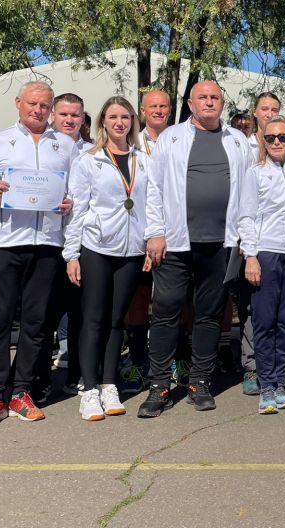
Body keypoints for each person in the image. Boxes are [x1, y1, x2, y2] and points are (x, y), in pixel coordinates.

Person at [138, 80, 252, 417]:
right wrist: (155, 233)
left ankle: (199, 381)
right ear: (190, 104)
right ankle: (159, 385)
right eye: (203, 97)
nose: (209, 102)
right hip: (174, 242)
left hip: (221, 243)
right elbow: (154, 188)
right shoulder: (171, 138)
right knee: (166, 309)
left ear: (222, 103)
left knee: (209, 313)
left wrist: (245, 239)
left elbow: (248, 194)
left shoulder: (238, 140)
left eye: (215, 97)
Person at [0, 82, 77, 429]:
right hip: (5, 242)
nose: (38, 110)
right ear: (18, 103)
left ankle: (21, 391)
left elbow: (75, 190)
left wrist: (69, 203)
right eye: (32, 104)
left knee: (36, 322)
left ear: (52, 108)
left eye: (44, 105)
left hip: (47, 243)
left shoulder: (64, 144)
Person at [64, 97, 149, 420]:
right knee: (94, 319)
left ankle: (109, 384)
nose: (119, 123)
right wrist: (72, 254)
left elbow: (152, 203)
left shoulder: (143, 160)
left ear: (132, 122)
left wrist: (150, 239)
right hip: (96, 247)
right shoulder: (89, 160)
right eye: (113, 117)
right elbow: (78, 210)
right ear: (103, 122)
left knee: (117, 320)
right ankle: (88, 389)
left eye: (125, 117)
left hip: (131, 250)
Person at [238, 116, 285, 414]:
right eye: (270, 138)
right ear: (263, 142)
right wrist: (251, 255)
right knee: (265, 321)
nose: (277, 142)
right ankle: (266, 383)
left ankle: (280, 381)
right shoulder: (255, 173)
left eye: (282, 137)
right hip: (267, 252)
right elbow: (246, 216)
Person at [120, 89, 175, 396]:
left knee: (177, 300)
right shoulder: (132, 144)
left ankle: (176, 360)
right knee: (139, 298)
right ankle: (139, 361)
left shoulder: (180, 139)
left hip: (176, 232)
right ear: (142, 111)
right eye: (153, 106)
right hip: (140, 232)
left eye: (163, 106)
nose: (158, 111)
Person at [39, 92, 88, 396]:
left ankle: (77, 374)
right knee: (45, 315)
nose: (69, 120)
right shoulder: (40, 148)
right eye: (64, 114)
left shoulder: (93, 151)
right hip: (48, 241)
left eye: (75, 115)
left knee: (81, 312)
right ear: (53, 116)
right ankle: (40, 380)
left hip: (82, 244)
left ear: (83, 118)